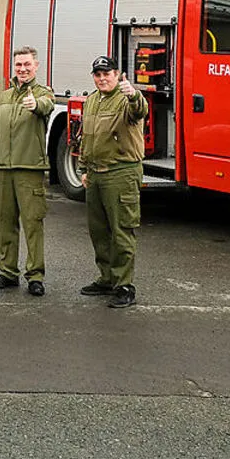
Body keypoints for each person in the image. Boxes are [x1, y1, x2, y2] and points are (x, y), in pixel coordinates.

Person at [0, 46, 55, 297]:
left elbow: (46, 106)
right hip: (4, 170)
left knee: (32, 224)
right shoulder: (5, 97)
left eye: (26, 64)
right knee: (6, 223)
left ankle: (35, 275)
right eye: (18, 65)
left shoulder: (44, 93)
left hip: (29, 170)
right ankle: (7, 272)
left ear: (36, 66)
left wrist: (35, 104)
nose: (22, 69)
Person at [78, 55, 149, 308]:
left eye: (107, 73)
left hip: (121, 172)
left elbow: (140, 110)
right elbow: (86, 137)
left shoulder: (126, 99)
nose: (102, 78)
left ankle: (124, 285)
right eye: (98, 74)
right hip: (96, 174)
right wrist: (83, 168)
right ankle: (106, 278)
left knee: (122, 231)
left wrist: (134, 95)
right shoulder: (93, 101)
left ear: (117, 74)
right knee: (99, 230)